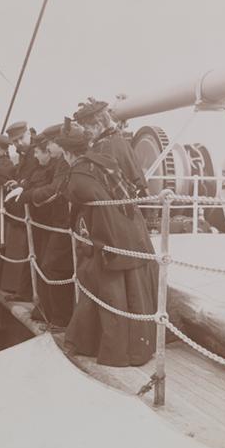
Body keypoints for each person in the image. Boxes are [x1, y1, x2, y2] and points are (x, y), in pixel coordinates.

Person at [55, 120, 157, 367]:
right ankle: (137, 350)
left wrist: (92, 242)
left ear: (68, 153)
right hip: (133, 237)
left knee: (107, 292)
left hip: (109, 243)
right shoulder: (103, 162)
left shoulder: (78, 175)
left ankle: (109, 349)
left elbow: (81, 204)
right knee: (134, 294)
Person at [24, 124, 74, 329]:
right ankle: (56, 317)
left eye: (50, 144)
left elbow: (55, 190)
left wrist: (27, 195)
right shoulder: (60, 161)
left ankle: (61, 320)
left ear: (59, 144)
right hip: (59, 221)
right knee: (52, 266)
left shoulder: (64, 163)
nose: (48, 148)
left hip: (65, 223)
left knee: (53, 266)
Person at [4, 132, 56, 303]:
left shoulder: (53, 168)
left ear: (48, 153)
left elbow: (47, 189)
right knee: (32, 255)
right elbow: (30, 180)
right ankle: (26, 293)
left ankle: (40, 300)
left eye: (38, 152)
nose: (35, 156)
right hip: (37, 221)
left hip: (48, 222)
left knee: (43, 260)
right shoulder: (41, 166)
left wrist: (25, 194)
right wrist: (21, 186)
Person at [74, 97, 149, 197]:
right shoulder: (119, 140)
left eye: (87, 128)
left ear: (98, 125)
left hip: (123, 201)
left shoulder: (102, 148)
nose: (85, 133)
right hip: (139, 197)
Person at [0, 121, 39, 293]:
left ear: (28, 133)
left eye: (21, 138)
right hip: (23, 208)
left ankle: (24, 290)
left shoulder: (36, 150)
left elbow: (37, 175)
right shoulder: (24, 152)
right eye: (15, 141)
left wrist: (22, 184)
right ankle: (20, 289)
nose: (19, 143)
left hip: (34, 209)